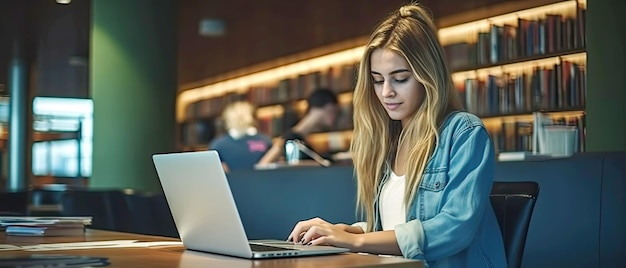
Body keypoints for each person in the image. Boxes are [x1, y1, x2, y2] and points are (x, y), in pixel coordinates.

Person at [286, 3, 507, 267]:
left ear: (429, 75)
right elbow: (396, 225)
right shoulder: (389, 141)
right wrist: (345, 231)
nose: (386, 92)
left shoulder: (464, 132)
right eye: (378, 80)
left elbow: (454, 228)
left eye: (400, 78)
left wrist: (354, 241)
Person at [256, 88, 339, 165]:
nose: (335, 117)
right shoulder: (289, 138)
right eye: (333, 111)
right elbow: (263, 165)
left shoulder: (300, 138)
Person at [209, 101, 272, 172]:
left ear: (227, 119)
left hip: (232, 182)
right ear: (251, 117)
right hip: (262, 181)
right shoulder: (266, 141)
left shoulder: (218, 145)